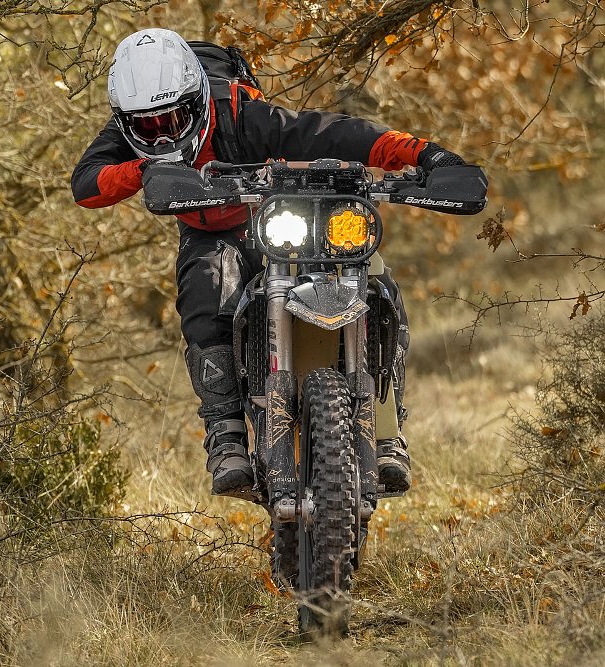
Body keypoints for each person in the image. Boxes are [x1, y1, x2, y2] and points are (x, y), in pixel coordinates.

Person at [71, 28, 467, 498]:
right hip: (210, 232)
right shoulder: (127, 129)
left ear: (197, 100)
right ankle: (226, 435)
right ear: (127, 120)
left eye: (174, 119)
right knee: (205, 289)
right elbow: (86, 182)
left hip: (274, 214)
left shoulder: (242, 116)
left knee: (374, 276)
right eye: (149, 127)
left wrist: (426, 155)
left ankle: (386, 432)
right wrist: (144, 170)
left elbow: (336, 133)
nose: (163, 133)